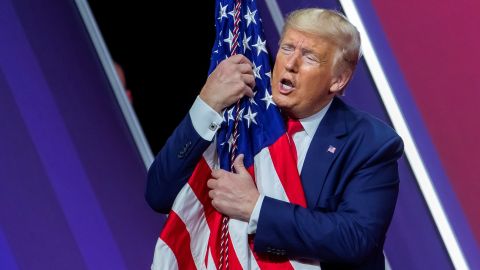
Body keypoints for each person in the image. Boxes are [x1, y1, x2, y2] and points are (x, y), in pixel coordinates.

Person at [146, 8, 403, 270]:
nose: (291, 63)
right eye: (287, 48)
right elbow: (159, 194)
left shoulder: (371, 143)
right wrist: (206, 104)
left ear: (338, 80)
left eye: (310, 57)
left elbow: (355, 239)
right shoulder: (238, 112)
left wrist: (256, 208)